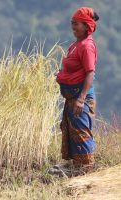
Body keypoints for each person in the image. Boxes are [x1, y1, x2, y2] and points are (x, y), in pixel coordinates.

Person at [55, 7, 99, 175]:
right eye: (72, 24)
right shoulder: (76, 44)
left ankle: (86, 169)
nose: (73, 27)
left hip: (80, 97)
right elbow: (74, 70)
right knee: (71, 130)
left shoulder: (87, 46)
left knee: (81, 131)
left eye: (76, 24)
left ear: (86, 25)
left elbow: (90, 73)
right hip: (71, 96)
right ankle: (76, 166)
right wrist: (62, 76)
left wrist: (81, 99)